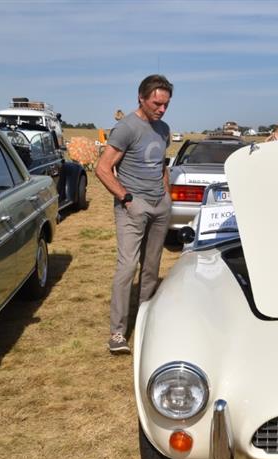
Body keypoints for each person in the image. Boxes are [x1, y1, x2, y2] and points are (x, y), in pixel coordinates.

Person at [95, 74, 174, 354]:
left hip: (159, 205)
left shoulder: (164, 129)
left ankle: (144, 323)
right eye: (156, 103)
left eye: (166, 104)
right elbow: (102, 168)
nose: (162, 109)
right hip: (133, 206)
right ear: (141, 98)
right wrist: (126, 198)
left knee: (151, 268)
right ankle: (117, 333)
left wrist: (167, 196)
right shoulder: (126, 127)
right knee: (128, 267)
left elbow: (161, 165)